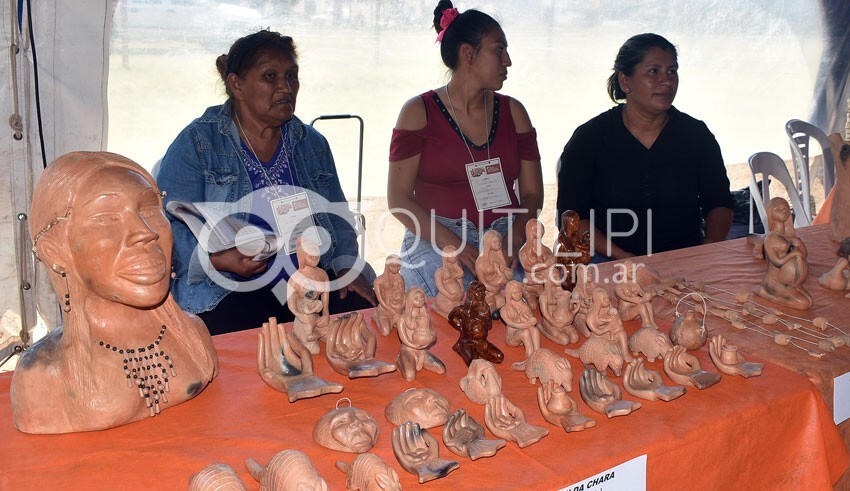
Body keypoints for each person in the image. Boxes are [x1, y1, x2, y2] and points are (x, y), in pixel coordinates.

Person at [156, 29, 376, 335]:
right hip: (227, 287)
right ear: (237, 85)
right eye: (269, 76)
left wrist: (345, 266)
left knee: (363, 313)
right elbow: (167, 228)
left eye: (291, 76)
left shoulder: (311, 144)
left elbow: (338, 218)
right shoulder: (197, 143)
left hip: (307, 278)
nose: (285, 87)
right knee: (253, 336)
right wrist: (217, 259)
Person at [12, 152, 218, 434]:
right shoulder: (41, 377)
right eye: (107, 217)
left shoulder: (194, 335)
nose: (145, 233)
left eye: (148, 210)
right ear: (56, 251)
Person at [387, 1, 544, 297]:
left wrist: (512, 241)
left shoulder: (514, 113)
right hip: (436, 234)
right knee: (441, 308)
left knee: (528, 304)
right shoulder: (418, 112)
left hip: (506, 231)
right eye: (499, 50)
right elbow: (398, 199)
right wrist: (459, 248)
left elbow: (533, 193)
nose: (507, 60)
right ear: (468, 54)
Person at [556, 33, 734, 260]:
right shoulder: (590, 139)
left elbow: (719, 202)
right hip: (608, 261)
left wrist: (707, 249)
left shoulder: (696, 135)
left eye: (672, 71)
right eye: (654, 71)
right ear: (625, 81)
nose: (667, 81)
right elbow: (572, 216)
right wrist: (622, 257)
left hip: (685, 259)